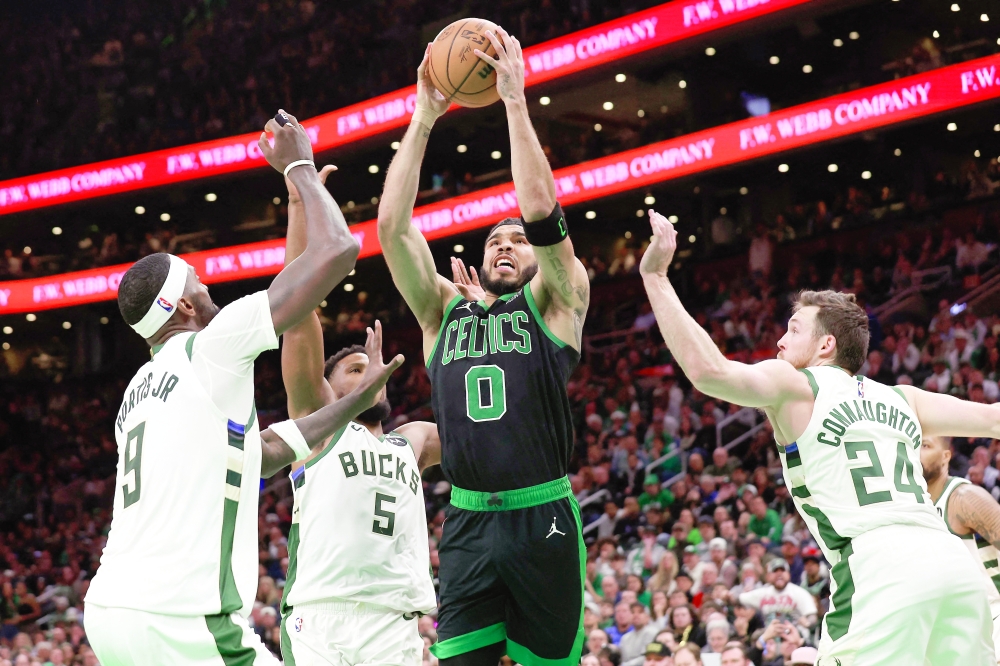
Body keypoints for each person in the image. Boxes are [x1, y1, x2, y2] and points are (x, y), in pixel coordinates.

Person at [639, 209, 996, 664]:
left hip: (881, 567)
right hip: (954, 566)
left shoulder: (797, 385)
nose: (779, 344)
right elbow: (992, 419)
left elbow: (710, 372)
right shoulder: (904, 398)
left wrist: (655, 277)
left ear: (826, 346)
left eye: (792, 330)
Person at [84, 111, 371, 664]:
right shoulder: (210, 345)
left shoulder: (136, 391)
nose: (208, 283)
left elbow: (260, 457)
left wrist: (353, 402)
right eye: (198, 281)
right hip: (181, 619)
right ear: (185, 306)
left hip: (110, 614)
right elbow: (337, 252)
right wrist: (301, 168)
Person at [377, 29, 591, 666]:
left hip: (543, 513)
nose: (505, 243)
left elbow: (543, 213)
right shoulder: (443, 311)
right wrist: (423, 116)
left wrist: (514, 103)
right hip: (469, 522)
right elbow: (391, 230)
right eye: (495, 239)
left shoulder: (559, 299)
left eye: (516, 241)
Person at [276, 166, 443, 663]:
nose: (370, 370)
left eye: (372, 364)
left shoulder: (411, 441)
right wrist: (300, 206)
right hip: (320, 618)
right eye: (354, 368)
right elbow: (297, 317)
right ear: (328, 389)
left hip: (395, 621)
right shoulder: (318, 428)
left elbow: (486, 424)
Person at [921, 435, 1000, 663]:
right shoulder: (914, 507)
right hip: (951, 634)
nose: (915, 453)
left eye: (925, 445)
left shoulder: (964, 498)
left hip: (991, 623)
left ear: (947, 455)